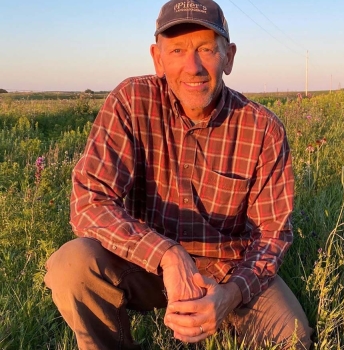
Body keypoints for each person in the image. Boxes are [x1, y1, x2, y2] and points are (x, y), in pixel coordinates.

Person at [44, 0, 312, 349]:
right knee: (72, 265)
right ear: (157, 58)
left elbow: (272, 235)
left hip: (225, 268)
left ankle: (222, 316)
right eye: (177, 49)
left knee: (292, 338)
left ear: (228, 57)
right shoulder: (131, 101)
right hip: (147, 263)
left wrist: (229, 295)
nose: (193, 66)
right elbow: (88, 201)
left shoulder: (262, 129)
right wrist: (168, 255)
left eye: (206, 49)